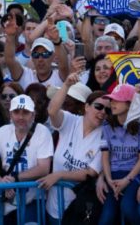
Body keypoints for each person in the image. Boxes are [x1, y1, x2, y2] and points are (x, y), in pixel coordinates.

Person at [0, 94, 54, 225]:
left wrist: (15, 179)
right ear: (10, 114)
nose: (21, 117)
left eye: (26, 112)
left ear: (33, 115)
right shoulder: (2, 132)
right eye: (16, 112)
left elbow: (43, 168)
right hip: (7, 202)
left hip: (33, 201)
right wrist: (0, 181)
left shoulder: (42, 132)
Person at [40, 74, 106, 225]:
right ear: (86, 106)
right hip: (54, 207)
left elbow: (90, 172)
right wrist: (66, 85)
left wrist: (59, 175)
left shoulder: (105, 136)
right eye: (98, 106)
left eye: (107, 110)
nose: (102, 112)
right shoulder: (71, 120)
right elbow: (52, 112)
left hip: (79, 210)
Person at [97, 83, 140, 225]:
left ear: (129, 104)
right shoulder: (107, 126)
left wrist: (127, 180)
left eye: (117, 100)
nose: (112, 103)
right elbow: (105, 156)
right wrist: (109, 180)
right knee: (106, 219)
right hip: (113, 176)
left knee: (127, 208)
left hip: (134, 175)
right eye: (112, 99)